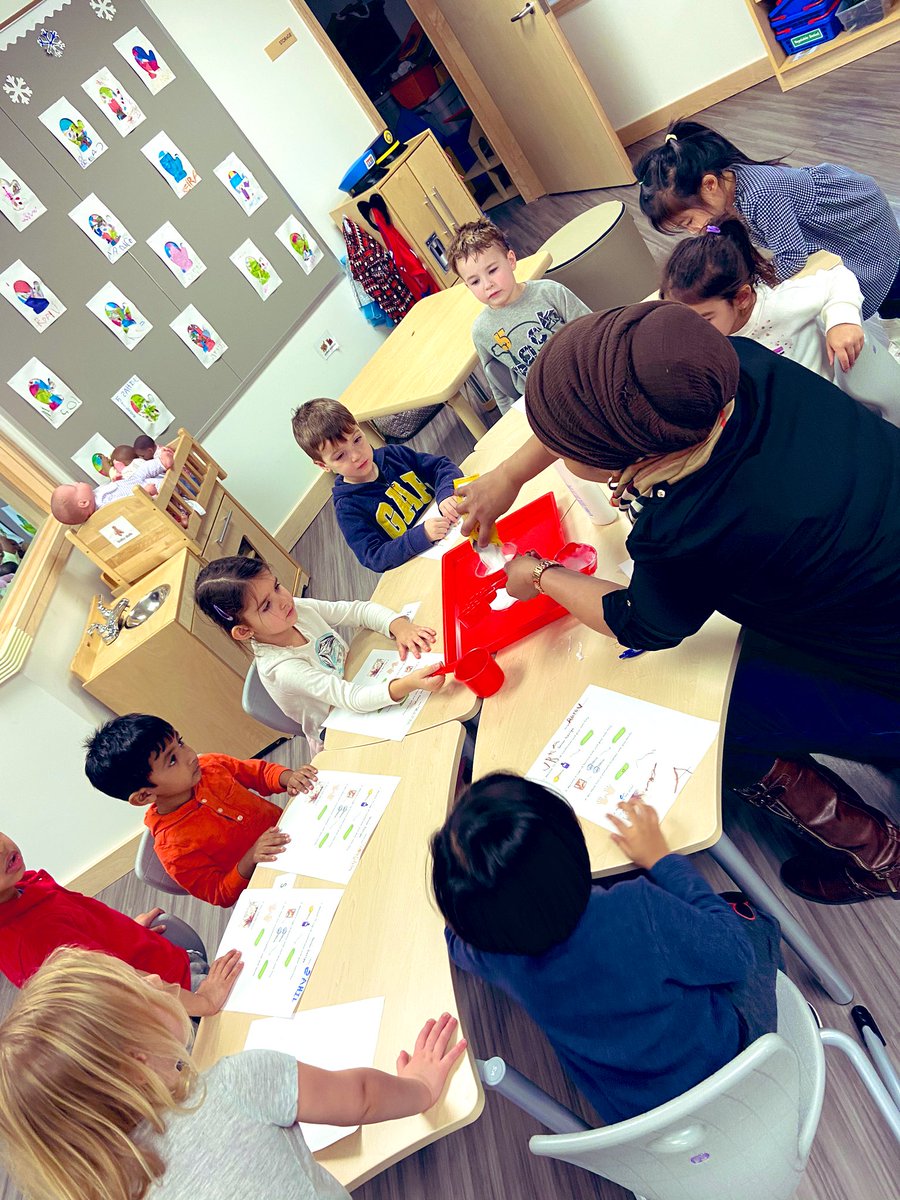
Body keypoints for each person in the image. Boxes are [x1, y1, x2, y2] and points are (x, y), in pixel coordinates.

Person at [456, 301, 900, 904]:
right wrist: (509, 475)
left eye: (566, 443)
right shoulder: (727, 367)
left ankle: (879, 856)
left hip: (885, 673)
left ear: (625, 452)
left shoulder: (687, 525)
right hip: (876, 549)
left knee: (711, 719)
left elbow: (640, 623)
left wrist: (538, 572)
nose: (555, 450)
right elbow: (612, 406)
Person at [432, 774, 779, 1123]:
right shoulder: (638, 909)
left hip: (636, 1118)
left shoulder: (493, 957)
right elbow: (736, 956)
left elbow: (455, 944)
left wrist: (474, 910)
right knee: (751, 922)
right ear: (573, 845)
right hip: (728, 1066)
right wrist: (662, 859)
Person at [0, 947, 467, 1200]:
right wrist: (421, 1087)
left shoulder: (94, 1185)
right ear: (136, 1065)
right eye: (138, 986)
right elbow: (361, 1097)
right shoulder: (237, 1084)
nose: (156, 979)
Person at [635, 119, 900, 339]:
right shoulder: (727, 190)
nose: (693, 230)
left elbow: (793, 257)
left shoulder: (760, 197)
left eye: (688, 221)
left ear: (709, 185)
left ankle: (896, 331)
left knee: (884, 275)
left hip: (857, 213)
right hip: (827, 217)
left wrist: (760, 287)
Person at [194, 556, 444, 757]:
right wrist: (409, 683)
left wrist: (399, 625)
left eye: (277, 586)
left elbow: (356, 611)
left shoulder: (294, 609)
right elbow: (350, 698)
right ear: (244, 631)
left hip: (356, 678)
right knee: (428, 738)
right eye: (266, 605)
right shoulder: (282, 669)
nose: (283, 600)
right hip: (337, 731)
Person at [660, 218, 900, 425]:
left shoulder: (780, 305)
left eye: (705, 319)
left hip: (829, 405)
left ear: (742, 298)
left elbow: (838, 279)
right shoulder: (709, 331)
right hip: (779, 411)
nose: (693, 331)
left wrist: (842, 320)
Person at [84, 713, 318, 908]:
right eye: (172, 760)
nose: (189, 756)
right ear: (145, 796)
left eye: (180, 742)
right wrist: (251, 858)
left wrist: (288, 777)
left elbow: (257, 773)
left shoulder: (209, 765)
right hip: (273, 885)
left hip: (297, 834)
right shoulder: (174, 849)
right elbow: (219, 893)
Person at [0, 828, 240, 1016]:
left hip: (171, 966)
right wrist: (204, 1002)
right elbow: (120, 987)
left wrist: (123, 931)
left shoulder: (22, 886)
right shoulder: (28, 943)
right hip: (177, 998)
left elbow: (77, 924)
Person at [291, 398, 462, 570]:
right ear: (323, 465)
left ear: (360, 428)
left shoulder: (393, 454)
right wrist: (420, 535)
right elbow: (374, 557)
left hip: (454, 527)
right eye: (340, 456)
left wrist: (445, 493)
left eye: (357, 440)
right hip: (419, 562)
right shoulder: (348, 508)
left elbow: (441, 466)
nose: (356, 456)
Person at [448, 218, 591, 412]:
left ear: (511, 260)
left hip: (584, 379)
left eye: (492, 270)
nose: (487, 285)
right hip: (543, 404)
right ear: (467, 287)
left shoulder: (550, 292)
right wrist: (510, 420)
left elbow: (593, 330)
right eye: (475, 282)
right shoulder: (481, 331)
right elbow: (498, 385)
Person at [51, 445, 175, 526]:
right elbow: (128, 508)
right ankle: (173, 482)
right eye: (74, 487)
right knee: (158, 484)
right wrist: (145, 494)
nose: (76, 483)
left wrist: (115, 481)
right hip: (143, 492)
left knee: (141, 470)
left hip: (132, 482)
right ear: (83, 503)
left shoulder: (96, 494)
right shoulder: (104, 509)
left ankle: (162, 462)